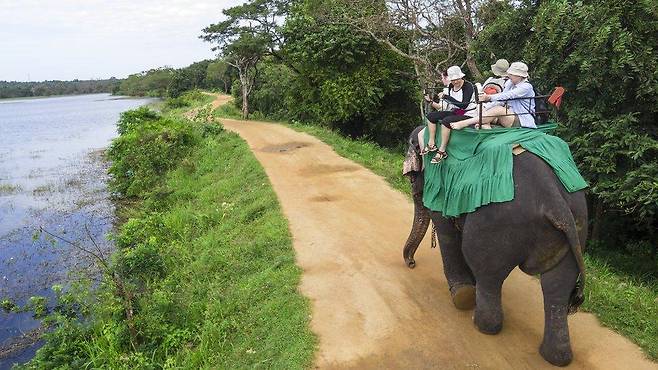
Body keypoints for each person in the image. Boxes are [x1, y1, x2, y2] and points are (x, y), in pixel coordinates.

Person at [447, 62, 536, 130]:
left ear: (519, 76)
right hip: (507, 115)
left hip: (521, 118)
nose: (508, 75)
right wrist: (486, 107)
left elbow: (507, 96)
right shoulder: (509, 83)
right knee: (481, 107)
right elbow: (500, 101)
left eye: (511, 74)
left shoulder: (526, 87)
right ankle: (486, 124)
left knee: (498, 109)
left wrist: (489, 97)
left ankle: (465, 123)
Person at [422, 66, 478, 163]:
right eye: (453, 80)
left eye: (457, 79)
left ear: (461, 77)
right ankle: (431, 143)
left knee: (446, 121)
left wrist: (447, 97)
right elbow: (447, 104)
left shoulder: (468, 86)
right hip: (456, 111)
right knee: (431, 116)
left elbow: (464, 105)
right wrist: (435, 100)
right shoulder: (450, 86)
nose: (455, 82)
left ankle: (442, 150)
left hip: (469, 112)